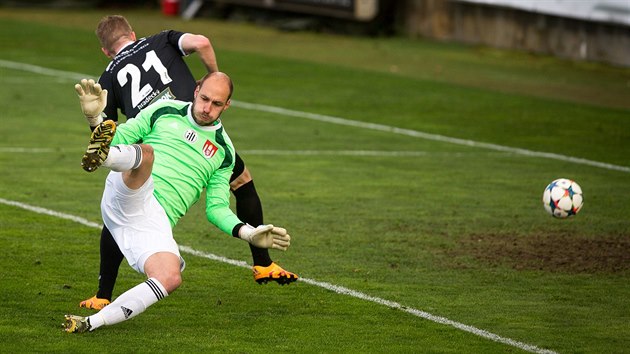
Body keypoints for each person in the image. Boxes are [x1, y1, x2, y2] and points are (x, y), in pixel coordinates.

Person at [78, 15, 297, 311]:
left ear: (105, 51)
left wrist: (94, 121)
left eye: (217, 100)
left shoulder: (107, 76)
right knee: (242, 182)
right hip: (182, 123)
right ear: (132, 33)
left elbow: (107, 134)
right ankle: (263, 264)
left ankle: (103, 293)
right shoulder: (160, 39)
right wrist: (216, 79)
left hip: (154, 135)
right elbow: (202, 42)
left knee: (120, 208)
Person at [64, 72, 291, 333]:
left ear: (227, 105)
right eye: (204, 98)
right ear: (196, 91)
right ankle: (102, 161)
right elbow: (118, 138)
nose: (207, 108)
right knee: (147, 154)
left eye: (217, 104)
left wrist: (249, 233)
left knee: (170, 278)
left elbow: (217, 208)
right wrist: (95, 120)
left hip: (151, 221)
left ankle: (90, 323)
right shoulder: (164, 109)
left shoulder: (224, 153)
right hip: (131, 185)